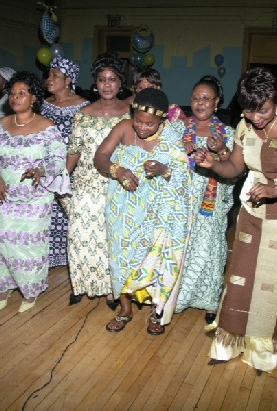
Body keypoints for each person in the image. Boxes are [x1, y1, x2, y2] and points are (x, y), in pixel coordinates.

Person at [194, 66, 277, 373]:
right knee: (240, 280)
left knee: (274, 285)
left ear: (276, 99)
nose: (256, 118)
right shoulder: (246, 125)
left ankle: (266, 351)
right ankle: (231, 343)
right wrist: (213, 164)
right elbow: (235, 168)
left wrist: (276, 189)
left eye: (263, 111)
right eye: (249, 111)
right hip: (253, 212)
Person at [93, 88, 192, 334]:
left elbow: (182, 175)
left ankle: (156, 311)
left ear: (162, 121)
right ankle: (125, 309)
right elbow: (100, 157)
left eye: (150, 124)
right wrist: (117, 170)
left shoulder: (171, 137)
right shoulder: (124, 128)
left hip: (158, 212)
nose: (142, 127)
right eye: (138, 120)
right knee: (121, 257)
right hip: (123, 208)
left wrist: (163, 170)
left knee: (156, 258)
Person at [0, 71, 69, 313]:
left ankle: (31, 291)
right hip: (6, 195)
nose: (16, 97)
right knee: (5, 242)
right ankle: (4, 287)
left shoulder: (47, 127)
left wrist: (41, 169)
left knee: (30, 246)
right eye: (12, 93)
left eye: (22, 93)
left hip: (36, 197)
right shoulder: (0, 126)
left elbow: (59, 158)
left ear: (34, 97)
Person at [65, 53, 130, 309]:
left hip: (115, 185)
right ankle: (80, 284)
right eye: (102, 79)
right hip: (85, 184)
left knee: (109, 239)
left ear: (120, 83)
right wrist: (61, 179)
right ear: (95, 83)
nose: (107, 85)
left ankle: (112, 290)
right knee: (79, 236)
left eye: (112, 79)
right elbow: (74, 151)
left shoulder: (129, 113)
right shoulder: (83, 114)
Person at [174, 75, 235, 324]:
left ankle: (210, 300)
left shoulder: (227, 133)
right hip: (182, 197)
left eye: (206, 99)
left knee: (209, 246)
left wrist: (220, 149)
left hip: (211, 198)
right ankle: (177, 295)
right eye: (196, 98)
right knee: (183, 246)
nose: (200, 103)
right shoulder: (178, 129)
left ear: (217, 102)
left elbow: (234, 166)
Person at [40, 56, 90, 269]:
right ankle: (47, 257)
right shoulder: (43, 105)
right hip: (47, 166)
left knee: (69, 212)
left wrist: (67, 172)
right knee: (47, 212)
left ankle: (72, 258)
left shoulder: (84, 106)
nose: (49, 79)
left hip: (74, 168)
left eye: (55, 75)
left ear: (68, 79)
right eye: (49, 74)